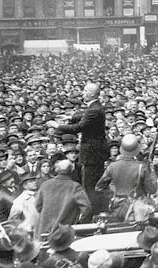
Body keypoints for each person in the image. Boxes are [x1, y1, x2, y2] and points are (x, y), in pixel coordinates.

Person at [47, 82, 109, 218]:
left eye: (85, 91)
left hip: (92, 154)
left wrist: (58, 125)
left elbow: (78, 127)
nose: (82, 93)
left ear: (92, 94)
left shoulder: (94, 110)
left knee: (89, 186)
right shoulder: (95, 107)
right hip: (95, 152)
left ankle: (91, 215)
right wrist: (70, 117)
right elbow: (85, 116)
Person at [95, 134, 157, 220]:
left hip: (117, 207)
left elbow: (99, 188)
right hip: (137, 210)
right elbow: (152, 189)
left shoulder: (112, 166)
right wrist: (151, 170)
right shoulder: (142, 167)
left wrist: (113, 196)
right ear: (137, 150)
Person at [34, 159, 91, 238]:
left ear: (57, 170)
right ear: (72, 170)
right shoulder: (75, 186)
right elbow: (86, 208)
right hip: (64, 233)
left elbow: (37, 206)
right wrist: (78, 221)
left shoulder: (46, 184)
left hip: (44, 230)